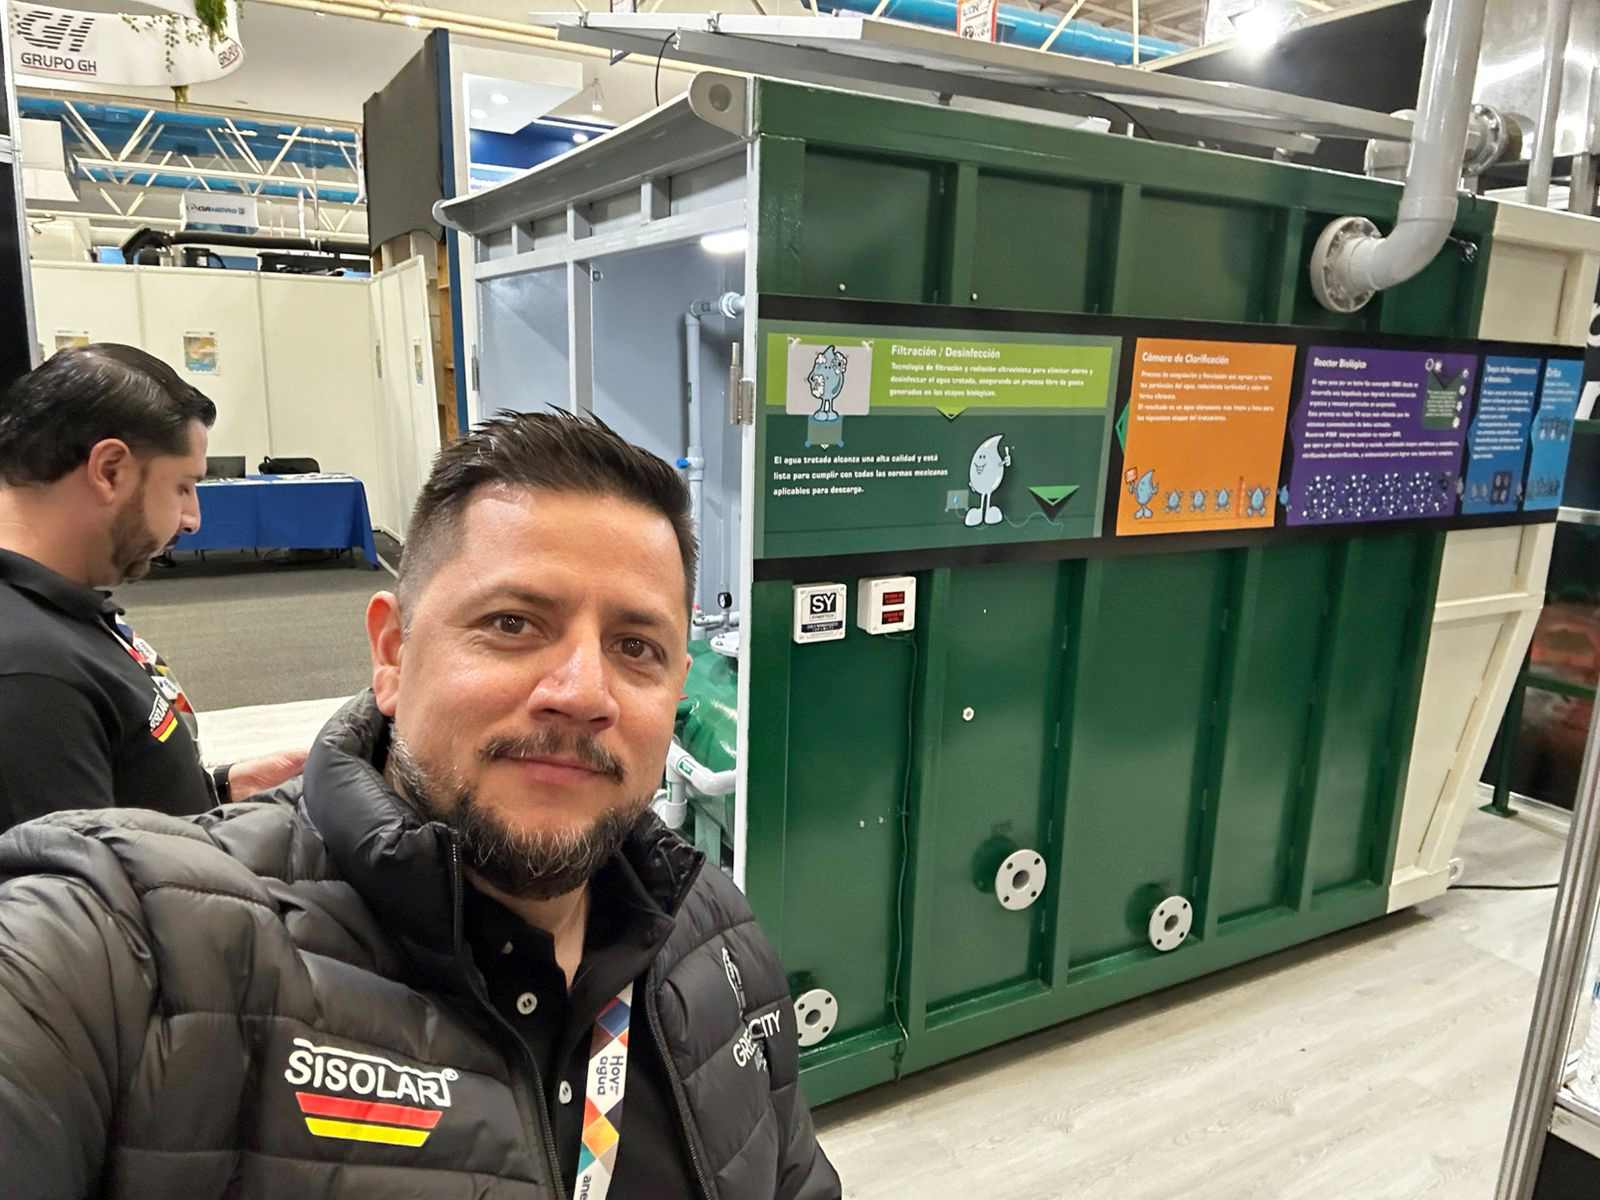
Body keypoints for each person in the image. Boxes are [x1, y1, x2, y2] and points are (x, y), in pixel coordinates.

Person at [0, 410, 841, 1200]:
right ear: (393, 653)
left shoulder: (716, 938)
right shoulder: (131, 950)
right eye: (513, 623)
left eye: (635, 647)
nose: (584, 693)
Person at [0, 344, 307, 831]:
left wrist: (220, 789)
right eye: (183, 486)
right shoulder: (29, 675)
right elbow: (90, 877)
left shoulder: (52, 611)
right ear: (110, 471)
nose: (192, 518)